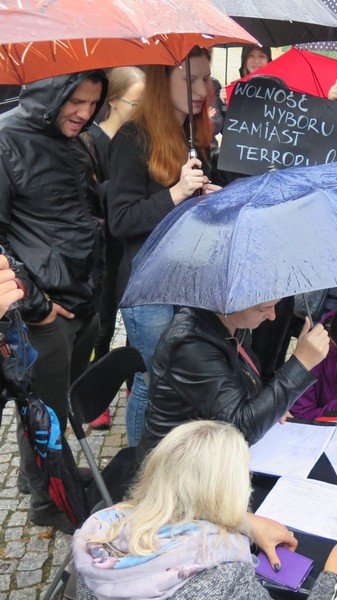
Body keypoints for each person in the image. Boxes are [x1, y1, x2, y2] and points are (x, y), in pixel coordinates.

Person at [74, 420, 337, 599]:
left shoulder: (100, 535)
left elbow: (178, 509)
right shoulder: (222, 578)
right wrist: (334, 575)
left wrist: (242, 521)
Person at [0, 70, 107, 532]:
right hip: (42, 312)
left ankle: (38, 477)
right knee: (43, 408)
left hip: (78, 296)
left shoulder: (76, 138)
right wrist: (35, 304)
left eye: (93, 103)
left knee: (51, 401)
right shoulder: (7, 141)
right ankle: (48, 501)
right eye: (76, 101)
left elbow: (75, 210)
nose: (84, 112)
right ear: (52, 93)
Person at [107, 47, 221, 448]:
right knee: (152, 379)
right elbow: (121, 220)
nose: (200, 88)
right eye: (190, 79)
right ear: (162, 81)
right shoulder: (133, 137)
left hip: (186, 279)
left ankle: (170, 461)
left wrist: (208, 196)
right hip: (148, 284)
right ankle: (140, 474)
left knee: (176, 378)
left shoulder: (193, 134)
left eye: (205, 79)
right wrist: (175, 194)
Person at [138, 300, 330, 459]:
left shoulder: (231, 326)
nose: (272, 316)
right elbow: (240, 430)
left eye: (274, 306)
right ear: (230, 305)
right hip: (176, 466)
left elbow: (244, 386)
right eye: (262, 309)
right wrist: (301, 364)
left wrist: (272, 406)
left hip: (207, 449)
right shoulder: (191, 345)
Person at [79, 66, 145, 430]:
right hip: (103, 251)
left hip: (129, 248)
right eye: (138, 100)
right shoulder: (91, 141)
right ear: (116, 101)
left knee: (135, 326)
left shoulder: (140, 140)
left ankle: (135, 383)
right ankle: (95, 397)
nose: (144, 106)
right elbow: (89, 198)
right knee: (103, 326)